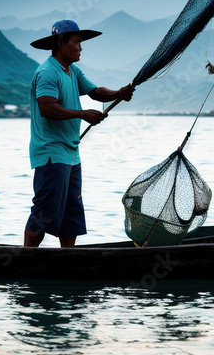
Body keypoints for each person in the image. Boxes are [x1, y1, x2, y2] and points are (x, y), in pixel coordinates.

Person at [24, 19, 135, 248]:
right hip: (51, 153)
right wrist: (83, 114)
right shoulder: (47, 72)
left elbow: (95, 92)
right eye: (76, 42)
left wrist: (119, 93)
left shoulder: (72, 71)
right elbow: (47, 108)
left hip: (72, 153)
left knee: (71, 214)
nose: (80, 47)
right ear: (60, 43)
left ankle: (67, 261)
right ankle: (24, 260)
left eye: (80, 42)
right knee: (45, 211)